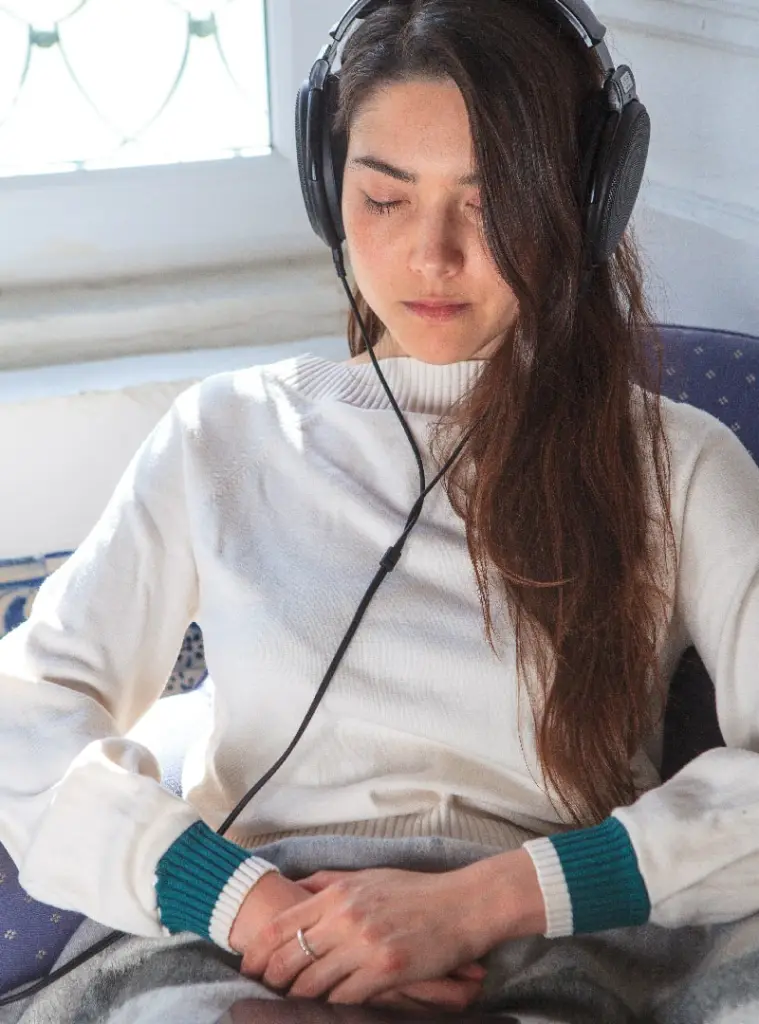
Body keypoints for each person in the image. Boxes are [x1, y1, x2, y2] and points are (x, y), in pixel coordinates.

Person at [2, 1, 759, 1022]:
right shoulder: (223, 433)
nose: (431, 257)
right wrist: (245, 904)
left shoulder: (679, 460)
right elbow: (26, 707)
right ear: (329, 194)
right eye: (385, 200)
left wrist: (488, 900)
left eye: (490, 205)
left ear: (586, 200)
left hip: (549, 945)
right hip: (256, 945)